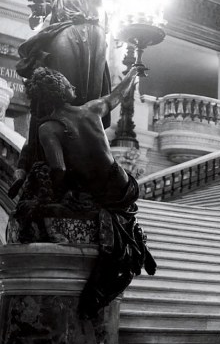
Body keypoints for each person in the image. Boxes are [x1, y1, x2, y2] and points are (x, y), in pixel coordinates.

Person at [9, 65, 156, 317]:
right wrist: (132, 73)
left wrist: (59, 194)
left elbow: (59, 171)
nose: (73, 86)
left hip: (99, 192)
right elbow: (118, 95)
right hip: (124, 185)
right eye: (68, 84)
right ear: (59, 91)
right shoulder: (92, 108)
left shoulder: (48, 129)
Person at [10, 0, 124, 197]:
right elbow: (37, 22)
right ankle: (34, 158)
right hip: (63, 38)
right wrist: (41, 8)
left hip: (95, 41)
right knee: (53, 98)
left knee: (88, 100)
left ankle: (84, 161)